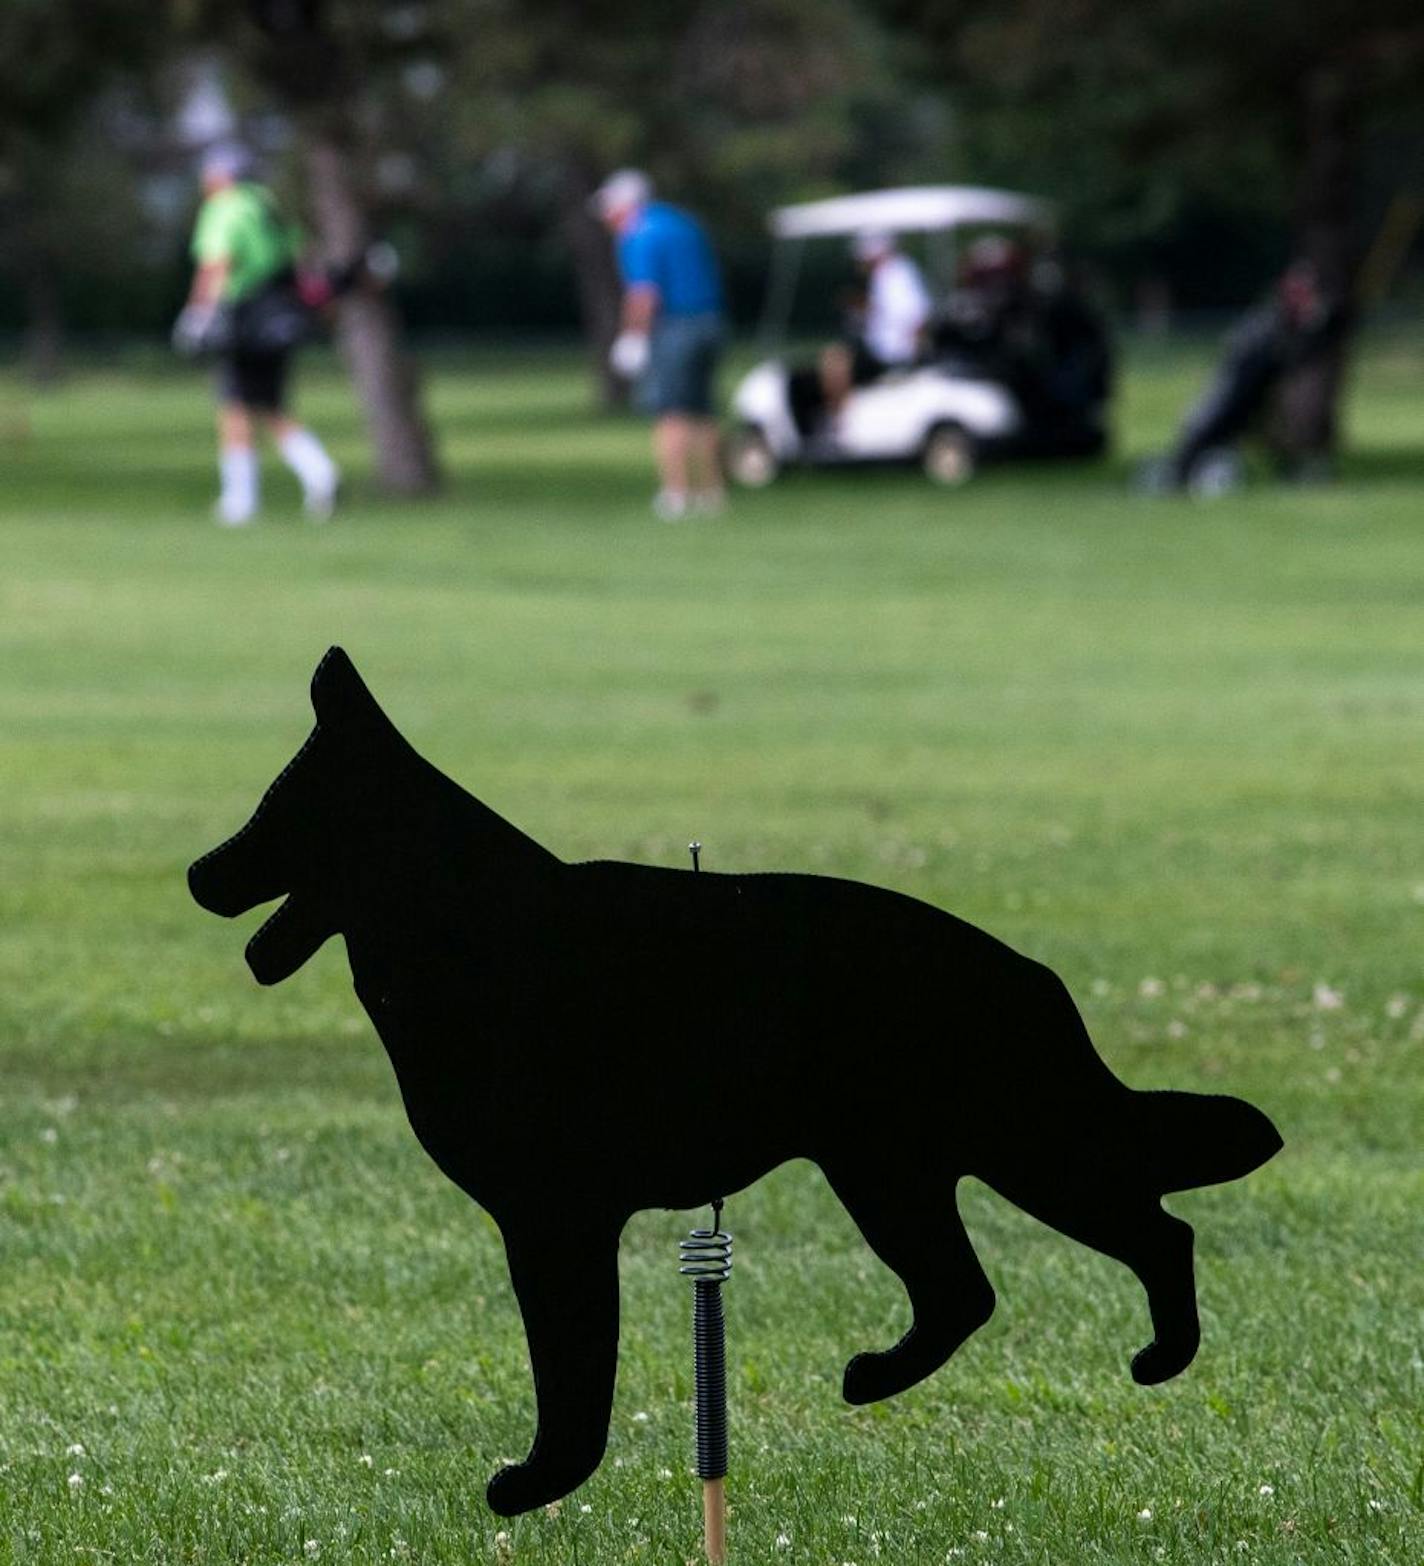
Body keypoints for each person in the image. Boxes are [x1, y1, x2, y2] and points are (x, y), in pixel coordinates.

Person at [172, 143, 339, 527]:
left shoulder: (225, 207)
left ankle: (240, 500)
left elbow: (217, 264)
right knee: (268, 403)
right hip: (281, 319)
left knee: (234, 406)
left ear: (221, 175)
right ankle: (319, 471)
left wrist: (198, 313)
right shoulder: (267, 204)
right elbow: (301, 259)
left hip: (242, 320)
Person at [593, 169, 727, 521]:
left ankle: (676, 493)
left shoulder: (638, 234)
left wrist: (633, 337)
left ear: (624, 206)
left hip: (675, 327)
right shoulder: (682, 223)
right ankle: (712, 493)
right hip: (711, 322)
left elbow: (644, 295)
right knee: (703, 411)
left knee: (670, 412)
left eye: (610, 210)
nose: (608, 219)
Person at [1151, 261, 1342, 494]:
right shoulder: (1265, 327)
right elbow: (1244, 373)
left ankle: (1293, 473)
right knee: (1207, 436)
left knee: (1274, 437)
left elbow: (1305, 350)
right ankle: (1174, 477)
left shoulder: (1292, 328)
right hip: (1235, 399)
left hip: (1255, 400)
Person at [819, 230, 932, 414]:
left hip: (892, 353)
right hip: (883, 349)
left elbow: (915, 316)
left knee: (834, 359)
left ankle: (840, 418)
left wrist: (913, 355)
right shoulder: (887, 275)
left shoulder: (897, 274)